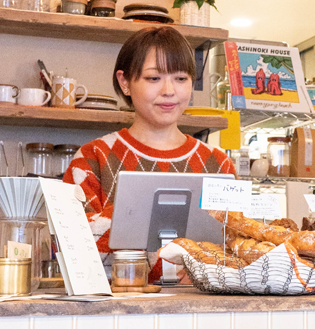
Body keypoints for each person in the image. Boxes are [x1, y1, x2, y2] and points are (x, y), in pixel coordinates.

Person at [63, 27, 236, 266]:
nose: (169, 91)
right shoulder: (92, 158)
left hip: (204, 303)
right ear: (125, 82)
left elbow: (235, 244)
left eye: (181, 79)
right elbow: (72, 244)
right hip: (117, 300)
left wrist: (127, 228)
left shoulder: (219, 164)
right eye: (154, 78)